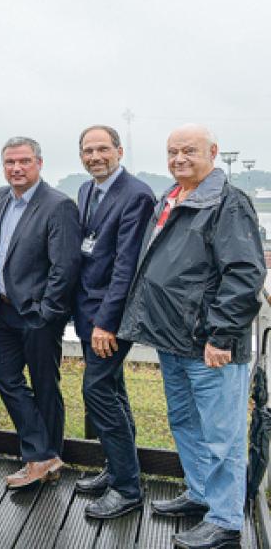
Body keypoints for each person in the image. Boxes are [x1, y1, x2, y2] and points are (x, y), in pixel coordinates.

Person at [119, 124, 265, 548]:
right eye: (172, 151)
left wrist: (221, 335)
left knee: (223, 435)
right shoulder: (172, 196)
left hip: (210, 344)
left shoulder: (227, 203)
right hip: (174, 339)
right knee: (185, 422)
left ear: (213, 152)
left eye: (189, 151)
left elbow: (243, 274)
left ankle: (224, 520)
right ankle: (202, 494)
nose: (179, 158)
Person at [70, 126, 155, 519]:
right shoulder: (88, 190)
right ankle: (119, 469)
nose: (95, 156)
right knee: (114, 392)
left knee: (98, 392)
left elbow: (127, 266)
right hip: (88, 312)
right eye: (88, 150)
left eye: (103, 149)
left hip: (110, 316)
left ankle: (127, 488)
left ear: (119, 151)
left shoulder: (136, 195)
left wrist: (107, 322)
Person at [0, 137, 81, 490]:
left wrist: (47, 312)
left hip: (39, 314)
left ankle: (47, 458)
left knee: (45, 386)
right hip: (6, 311)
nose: (16, 168)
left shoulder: (58, 205)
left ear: (39, 163)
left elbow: (65, 266)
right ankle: (43, 453)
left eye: (24, 161)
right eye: (10, 162)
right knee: (4, 377)